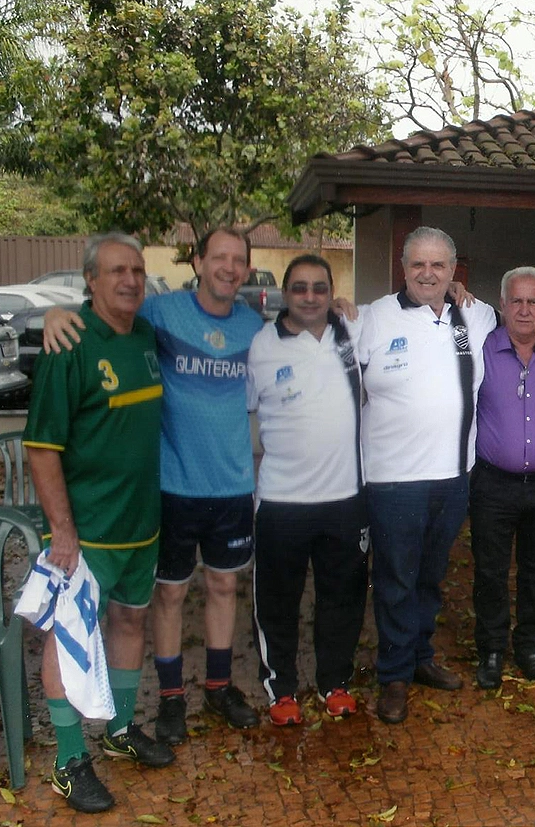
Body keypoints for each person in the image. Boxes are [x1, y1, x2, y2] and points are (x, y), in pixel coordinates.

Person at [44, 227, 265, 742]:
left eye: (238, 260)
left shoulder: (256, 327)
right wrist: (62, 314)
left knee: (224, 585)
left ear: (247, 271)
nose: (228, 268)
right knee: (167, 597)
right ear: (198, 262)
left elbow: (302, 332)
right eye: (219, 258)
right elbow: (105, 314)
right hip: (172, 484)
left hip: (231, 483)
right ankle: (170, 699)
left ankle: (217, 685)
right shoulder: (161, 314)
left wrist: (343, 306)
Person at [24, 233, 174, 813]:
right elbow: (42, 448)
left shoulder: (143, 336)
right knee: (68, 640)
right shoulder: (69, 343)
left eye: (137, 269)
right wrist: (61, 528)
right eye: (116, 271)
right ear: (91, 280)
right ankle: (68, 761)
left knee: (130, 622)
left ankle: (118, 731)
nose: (130, 280)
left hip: (141, 523)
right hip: (84, 533)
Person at [357, 226, 498, 724]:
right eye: (418, 263)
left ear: (453, 271)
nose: (428, 273)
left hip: (455, 476)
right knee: (396, 579)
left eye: (438, 265)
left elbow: (531, 316)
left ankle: (419, 658)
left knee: (431, 579)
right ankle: (392, 676)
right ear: (403, 267)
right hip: (392, 480)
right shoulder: (372, 318)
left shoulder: (476, 316)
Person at [246, 254, 368, 725]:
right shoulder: (261, 347)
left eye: (320, 287)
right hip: (281, 503)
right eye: (300, 288)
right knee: (278, 603)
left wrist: (460, 295)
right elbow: (241, 409)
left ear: (332, 290)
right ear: (284, 294)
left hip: (345, 498)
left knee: (343, 598)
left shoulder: (352, 332)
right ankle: (281, 690)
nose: (311, 296)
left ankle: (334, 683)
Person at [470, 267, 535, 689]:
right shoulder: (480, 348)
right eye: (516, 301)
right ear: (503, 305)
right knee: (490, 571)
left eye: (533, 301)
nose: (524, 310)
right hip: (493, 483)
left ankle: (530, 646)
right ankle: (492, 649)